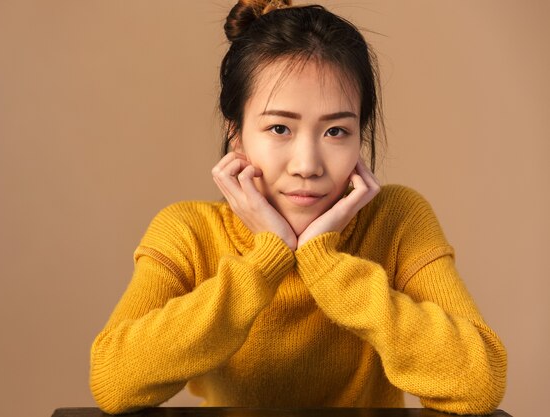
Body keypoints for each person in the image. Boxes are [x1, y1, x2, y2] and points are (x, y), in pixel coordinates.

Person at [89, 0, 507, 414]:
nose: (307, 165)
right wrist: (266, 259)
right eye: (279, 128)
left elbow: (480, 382)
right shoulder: (187, 232)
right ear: (235, 133)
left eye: (336, 131)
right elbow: (114, 382)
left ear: (360, 135)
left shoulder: (397, 219)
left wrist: (324, 263)